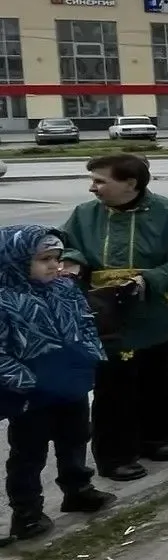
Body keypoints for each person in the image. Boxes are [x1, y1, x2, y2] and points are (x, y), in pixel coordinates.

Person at [60, 153, 168, 482]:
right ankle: (115, 456)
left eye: (100, 181)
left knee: (159, 377)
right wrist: (72, 263)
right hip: (107, 314)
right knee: (113, 386)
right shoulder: (84, 215)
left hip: (160, 310)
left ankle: (155, 440)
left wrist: (151, 279)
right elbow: (67, 246)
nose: (92, 188)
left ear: (130, 183)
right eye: (92, 180)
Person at [2, 226, 115, 542]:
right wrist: (23, 380)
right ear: (16, 260)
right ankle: (27, 513)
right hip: (30, 393)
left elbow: (85, 322)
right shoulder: (5, 299)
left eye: (57, 258)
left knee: (76, 436)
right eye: (44, 259)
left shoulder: (65, 288)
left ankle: (78, 489)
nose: (54, 265)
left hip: (70, 382)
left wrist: (90, 355)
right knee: (28, 453)